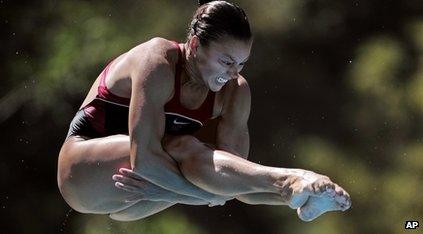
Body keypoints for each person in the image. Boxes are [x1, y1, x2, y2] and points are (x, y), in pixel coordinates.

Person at [57, 0, 351, 222]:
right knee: (183, 146)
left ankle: (302, 195)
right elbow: (145, 160)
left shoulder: (235, 91)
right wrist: (199, 195)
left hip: (146, 190)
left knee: (216, 165)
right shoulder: (156, 61)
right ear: (195, 45)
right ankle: (289, 179)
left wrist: (197, 192)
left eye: (241, 63)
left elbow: (235, 182)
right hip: (83, 174)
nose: (233, 73)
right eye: (226, 62)